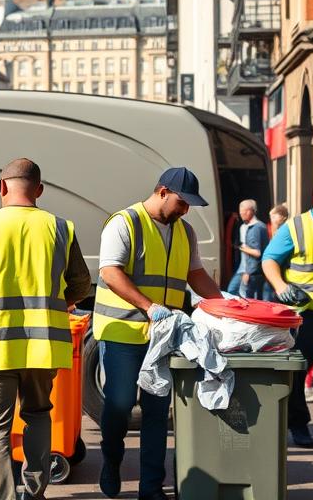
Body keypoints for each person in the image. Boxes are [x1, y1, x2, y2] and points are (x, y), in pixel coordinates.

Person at [0, 158, 92, 500]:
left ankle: (4, 497)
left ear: (2, 188)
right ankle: (35, 492)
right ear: (39, 190)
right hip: (43, 346)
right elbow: (82, 285)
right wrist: (61, 305)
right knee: (39, 416)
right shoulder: (61, 228)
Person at [93, 167, 226, 500]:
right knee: (120, 406)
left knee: (156, 412)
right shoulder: (124, 222)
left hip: (165, 337)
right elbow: (110, 272)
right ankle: (111, 459)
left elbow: (195, 275)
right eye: (182, 202)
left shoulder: (186, 231)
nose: (186, 210)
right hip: (123, 330)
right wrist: (148, 305)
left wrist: (227, 308)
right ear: (163, 191)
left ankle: (150, 487)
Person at [261, 176, 313, 449]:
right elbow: (269, 260)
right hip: (304, 317)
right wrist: (281, 287)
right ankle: (299, 424)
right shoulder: (295, 227)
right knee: (295, 374)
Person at [229, 199, 269, 299]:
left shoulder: (256, 227)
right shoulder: (244, 226)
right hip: (244, 269)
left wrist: (248, 272)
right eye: (240, 211)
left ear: (251, 211)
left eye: (243, 211)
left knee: (247, 297)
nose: (241, 214)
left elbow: (257, 253)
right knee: (233, 291)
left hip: (251, 271)